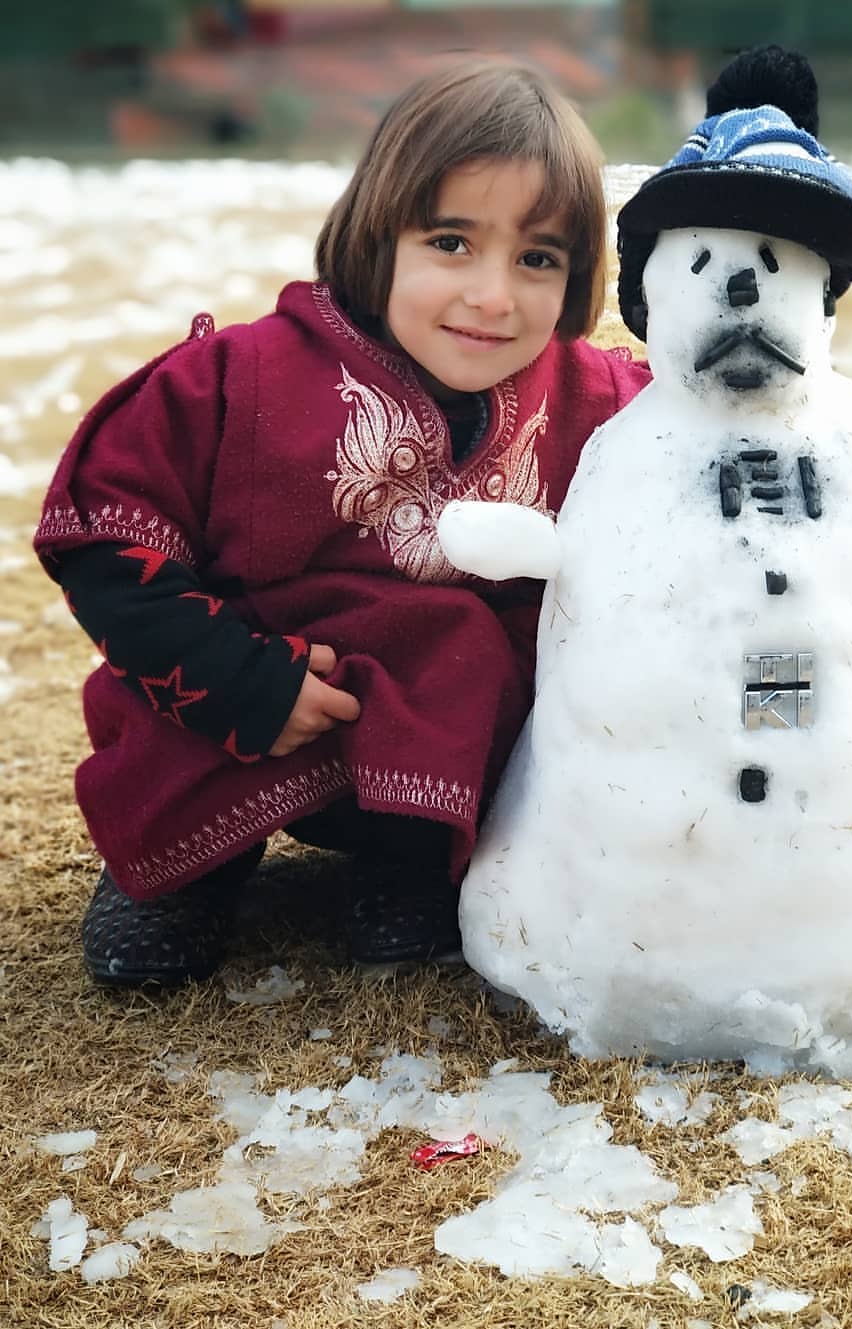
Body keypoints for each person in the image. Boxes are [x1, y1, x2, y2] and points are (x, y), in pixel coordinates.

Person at [34, 59, 651, 987]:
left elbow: (698, 464)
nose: (493, 295)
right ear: (380, 234)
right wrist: (236, 679)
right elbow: (106, 529)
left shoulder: (597, 399)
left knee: (487, 652)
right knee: (172, 738)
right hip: (240, 698)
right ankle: (184, 871)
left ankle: (408, 865)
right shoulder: (237, 384)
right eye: (452, 242)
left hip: (447, 729)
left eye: (537, 258)